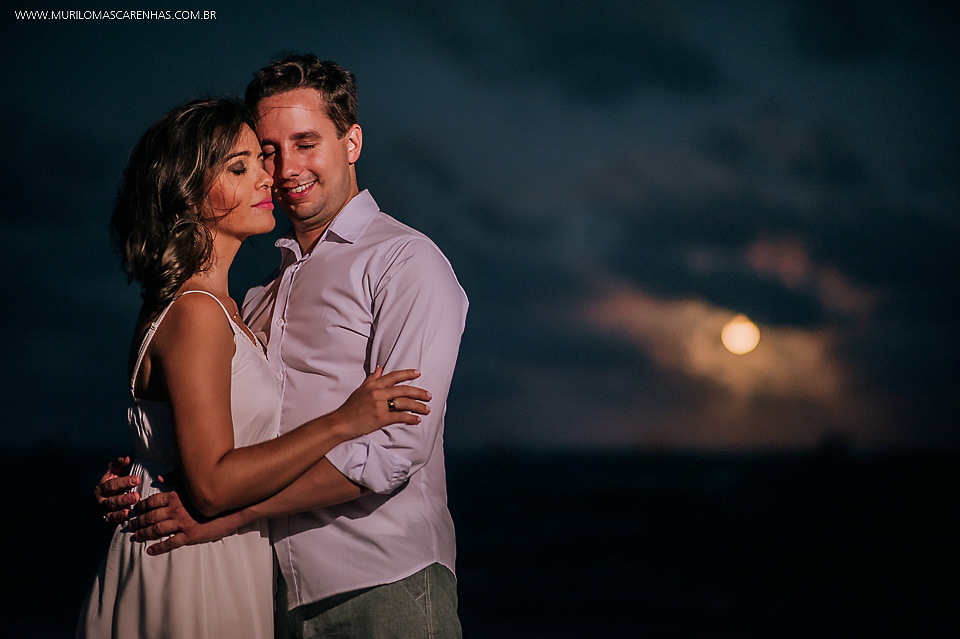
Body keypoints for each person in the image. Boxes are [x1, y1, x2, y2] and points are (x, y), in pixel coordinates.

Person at [99, 55, 469, 637]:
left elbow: (396, 449)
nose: (283, 167)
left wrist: (225, 511)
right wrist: (149, 471)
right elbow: (224, 436)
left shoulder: (405, 262)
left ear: (351, 143)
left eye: (305, 142)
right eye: (266, 150)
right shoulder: (256, 298)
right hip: (265, 590)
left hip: (379, 581)